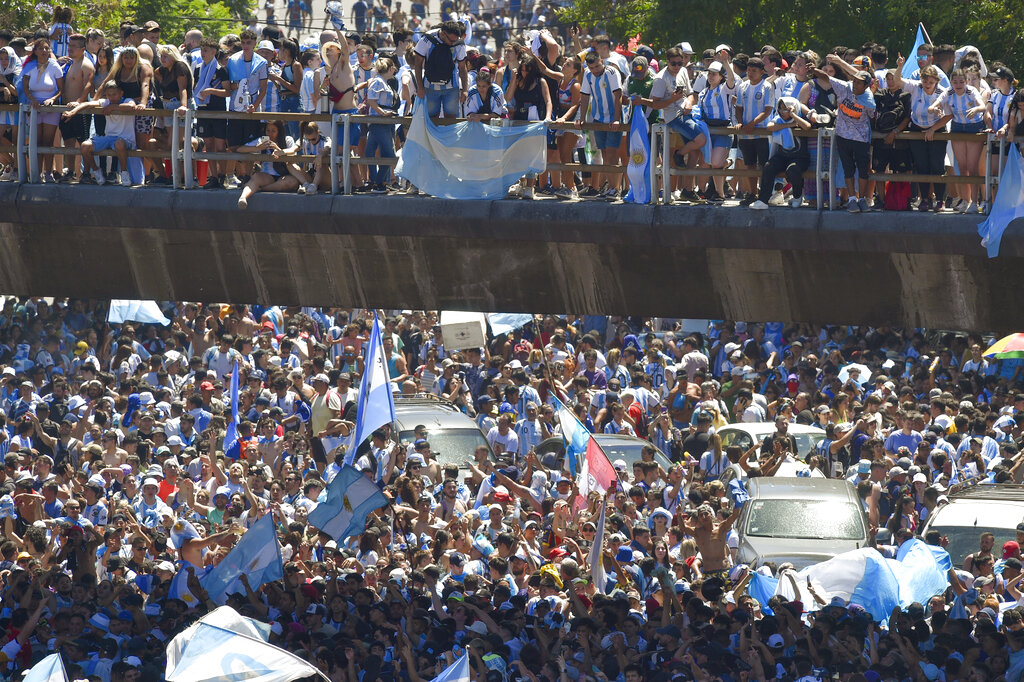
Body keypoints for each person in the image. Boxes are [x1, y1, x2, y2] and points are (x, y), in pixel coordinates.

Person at [892, 57, 949, 212]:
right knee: (922, 165)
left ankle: (940, 200)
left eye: (931, 82)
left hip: (936, 130)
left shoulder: (943, 93)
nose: (927, 85)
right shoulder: (916, 87)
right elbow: (897, 81)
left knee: (937, 166)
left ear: (936, 81)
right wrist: (900, 66)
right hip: (917, 129)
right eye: (925, 82)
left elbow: (948, 115)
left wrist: (933, 129)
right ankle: (924, 198)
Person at [933, 68, 986, 213]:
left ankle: (975, 202)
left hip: (974, 127)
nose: (958, 85)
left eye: (961, 81)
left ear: (966, 81)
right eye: (955, 82)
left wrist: (976, 110)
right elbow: (936, 103)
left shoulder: (971, 91)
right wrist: (933, 108)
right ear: (951, 82)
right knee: (962, 167)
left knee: (972, 166)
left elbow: (982, 106)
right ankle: (965, 200)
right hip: (957, 127)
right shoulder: (948, 92)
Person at [749, 96, 812, 210]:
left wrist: (793, 116)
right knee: (768, 167)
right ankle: (763, 200)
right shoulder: (778, 119)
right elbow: (769, 127)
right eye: (781, 109)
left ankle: (797, 196)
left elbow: (807, 127)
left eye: (786, 109)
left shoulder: (800, 119)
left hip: (799, 157)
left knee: (793, 169)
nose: (783, 112)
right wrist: (789, 125)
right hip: (782, 155)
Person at [577, 51, 623, 200]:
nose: (595, 70)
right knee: (604, 153)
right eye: (592, 68)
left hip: (612, 118)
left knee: (612, 153)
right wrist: (582, 118)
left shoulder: (612, 72)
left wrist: (616, 119)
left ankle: (615, 188)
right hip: (598, 118)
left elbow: (618, 96)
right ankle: (610, 187)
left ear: (602, 61)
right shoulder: (588, 75)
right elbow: (584, 96)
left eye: (597, 66)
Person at [505, 54, 552, 200]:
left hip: (534, 121)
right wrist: (514, 79)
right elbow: (507, 98)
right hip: (519, 120)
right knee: (517, 154)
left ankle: (530, 187)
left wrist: (547, 117)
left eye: (527, 71)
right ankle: (520, 183)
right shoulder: (518, 80)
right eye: (523, 70)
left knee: (533, 155)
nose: (525, 73)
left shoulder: (541, 82)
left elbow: (548, 101)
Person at [72, 81, 136, 187]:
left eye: (114, 94)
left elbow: (131, 106)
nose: (112, 97)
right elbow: (88, 103)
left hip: (125, 139)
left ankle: (124, 173)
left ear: (121, 93)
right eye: (109, 95)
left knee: (119, 143)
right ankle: (97, 171)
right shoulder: (106, 102)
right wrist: (73, 112)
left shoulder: (128, 100)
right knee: (85, 146)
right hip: (109, 138)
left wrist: (113, 107)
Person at [21, 38, 64, 182]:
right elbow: (26, 87)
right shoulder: (30, 66)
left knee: (48, 141)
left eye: (46, 48)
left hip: (50, 109)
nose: (44, 51)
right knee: (36, 141)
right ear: (35, 51)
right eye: (41, 48)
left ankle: (48, 172)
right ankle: (37, 172)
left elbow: (61, 89)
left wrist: (52, 99)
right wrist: (32, 99)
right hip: (34, 108)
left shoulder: (54, 66)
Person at [236, 120, 299, 209]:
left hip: (284, 174)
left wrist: (277, 148)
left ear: (279, 132)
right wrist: (257, 148)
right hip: (267, 175)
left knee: (292, 183)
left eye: (273, 131)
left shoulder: (287, 140)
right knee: (256, 178)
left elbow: (292, 156)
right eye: (268, 131)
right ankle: (243, 198)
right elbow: (240, 149)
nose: (270, 134)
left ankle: (262, 188)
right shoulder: (262, 140)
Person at [413, 20, 468, 119]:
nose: (453, 43)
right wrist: (420, 87)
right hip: (430, 87)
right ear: (443, 34)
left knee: (451, 119)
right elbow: (417, 65)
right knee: (431, 119)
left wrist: (465, 90)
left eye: (455, 40)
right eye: (451, 41)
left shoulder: (459, 43)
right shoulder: (426, 39)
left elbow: (463, 68)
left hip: (452, 88)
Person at [364, 57, 401, 193]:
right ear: (390, 68)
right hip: (380, 121)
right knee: (389, 155)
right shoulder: (378, 81)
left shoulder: (382, 81)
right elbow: (371, 101)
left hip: (382, 121)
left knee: (370, 151)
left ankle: (376, 181)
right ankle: (379, 183)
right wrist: (382, 113)